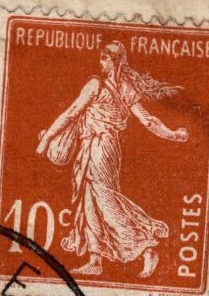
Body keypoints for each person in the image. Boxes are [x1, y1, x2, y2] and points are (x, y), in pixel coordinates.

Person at [36, 41, 189, 278]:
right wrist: (173, 134)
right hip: (100, 146)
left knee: (105, 200)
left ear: (115, 61)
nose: (101, 63)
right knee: (89, 201)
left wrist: (47, 139)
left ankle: (146, 248)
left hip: (100, 146)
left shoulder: (96, 84)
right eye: (101, 59)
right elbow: (147, 120)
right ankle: (95, 259)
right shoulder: (126, 88)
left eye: (105, 59)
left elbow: (72, 112)